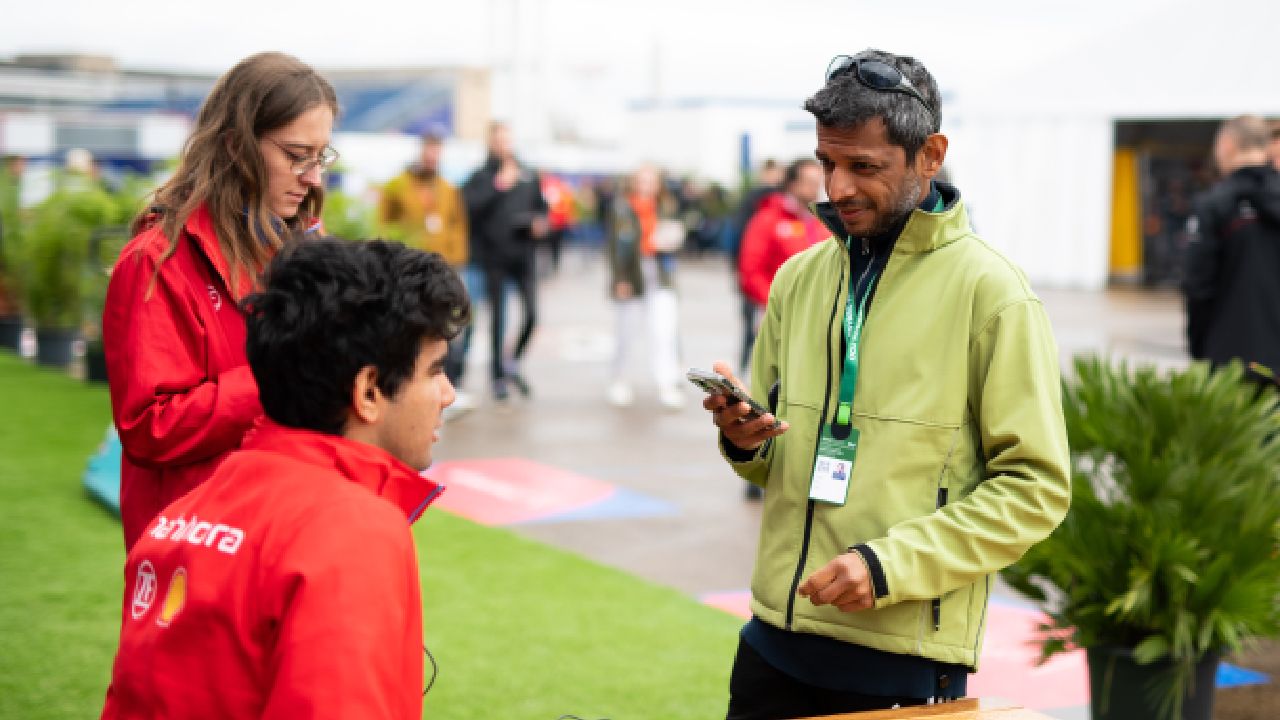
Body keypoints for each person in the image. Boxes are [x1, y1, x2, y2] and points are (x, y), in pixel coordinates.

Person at [702, 49, 1070, 719]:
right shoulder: (799, 278)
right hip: (771, 644)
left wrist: (888, 566)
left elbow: (1036, 490)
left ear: (930, 155)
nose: (837, 187)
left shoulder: (994, 295)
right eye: (826, 162)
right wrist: (747, 440)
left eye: (863, 167)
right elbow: (774, 467)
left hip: (899, 662)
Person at [100, 239, 468, 719]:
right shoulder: (352, 532)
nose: (449, 393)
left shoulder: (181, 516)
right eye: (435, 371)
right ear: (369, 390)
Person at [102, 52, 338, 550]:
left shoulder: (303, 248)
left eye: (321, 157)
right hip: (200, 560)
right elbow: (148, 428)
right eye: (297, 155)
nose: (313, 177)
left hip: (288, 533)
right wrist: (281, 371)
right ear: (234, 146)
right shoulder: (155, 261)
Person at [734, 157, 826, 500]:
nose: (814, 188)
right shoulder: (769, 218)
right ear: (791, 183)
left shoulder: (822, 222)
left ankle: (801, 467)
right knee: (767, 392)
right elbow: (750, 269)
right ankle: (754, 465)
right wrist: (775, 306)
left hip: (815, 326)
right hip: (774, 321)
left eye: (819, 180)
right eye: (808, 181)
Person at [1183, 115, 1280, 388]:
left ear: (1226, 145)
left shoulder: (1216, 205)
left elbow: (1198, 287)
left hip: (1230, 364)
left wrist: (1199, 349)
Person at [378, 132, 474, 406]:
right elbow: (385, 223)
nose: (432, 157)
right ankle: (409, 387)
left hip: (444, 267)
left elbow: (458, 225)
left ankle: (450, 385)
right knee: (414, 328)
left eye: (437, 152)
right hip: (408, 268)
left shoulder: (447, 189)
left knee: (449, 328)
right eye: (429, 151)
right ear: (421, 152)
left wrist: (455, 259)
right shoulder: (398, 186)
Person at [463, 121, 548, 402]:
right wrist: (499, 186)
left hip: (523, 255)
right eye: (498, 139)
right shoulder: (481, 176)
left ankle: (513, 363)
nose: (503, 145)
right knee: (497, 320)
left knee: (532, 314)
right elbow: (470, 210)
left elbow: (541, 208)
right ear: (490, 142)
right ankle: (497, 376)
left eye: (507, 139)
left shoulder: (528, 174)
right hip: (493, 257)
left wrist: (539, 224)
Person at [605, 165, 685, 409]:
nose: (646, 185)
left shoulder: (666, 206)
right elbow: (614, 247)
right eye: (641, 180)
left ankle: (666, 383)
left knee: (664, 332)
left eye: (651, 181)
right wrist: (619, 279)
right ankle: (620, 379)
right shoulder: (621, 209)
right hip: (633, 275)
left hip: (661, 274)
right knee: (626, 332)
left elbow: (675, 233)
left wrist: (671, 239)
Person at [730, 159, 783, 372]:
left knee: (755, 325)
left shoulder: (755, 199)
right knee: (755, 324)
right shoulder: (760, 202)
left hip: (760, 271)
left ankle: (747, 366)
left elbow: (736, 235)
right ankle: (747, 366)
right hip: (757, 272)